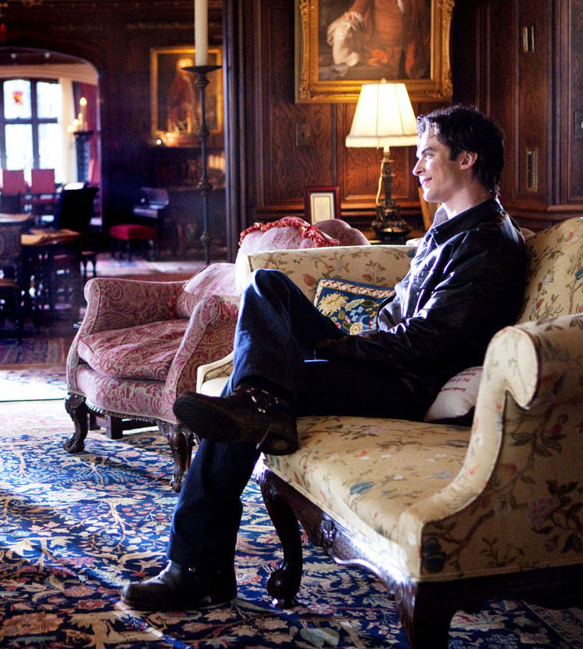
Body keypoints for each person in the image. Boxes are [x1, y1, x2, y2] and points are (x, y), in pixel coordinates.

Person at [121, 104, 527, 610]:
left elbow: (427, 344)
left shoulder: (488, 245)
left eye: (427, 154)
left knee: (242, 402)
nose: (416, 166)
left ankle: (197, 568)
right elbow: (396, 314)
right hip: (380, 361)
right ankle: (258, 402)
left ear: (467, 159)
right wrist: (347, 340)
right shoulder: (449, 227)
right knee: (267, 286)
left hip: (407, 383)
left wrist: (339, 347)